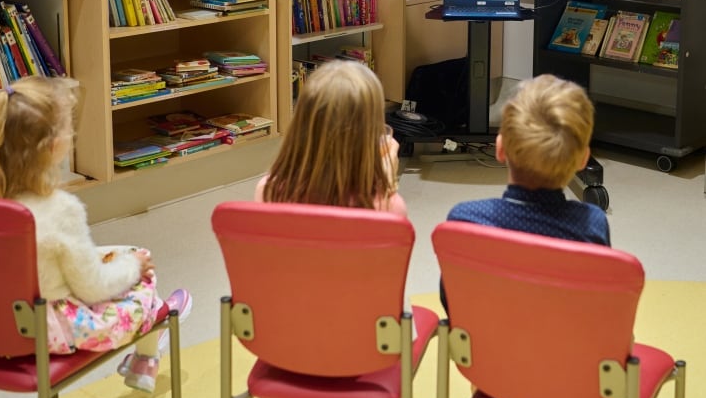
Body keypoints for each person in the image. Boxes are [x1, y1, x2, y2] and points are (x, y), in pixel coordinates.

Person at [0, 76, 191, 395]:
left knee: (122, 252)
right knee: (142, 276)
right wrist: (134, 268)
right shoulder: (60, 210)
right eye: (68, 126)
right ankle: (150, 345)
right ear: (54, 145)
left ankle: (148, 343)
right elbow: (94, 288)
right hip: (43, 330)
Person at [440, 73, 610, 311]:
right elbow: (595, 305)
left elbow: (452, 301)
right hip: (562, 346)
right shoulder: (591, 225)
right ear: (583, 159)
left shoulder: (466, 219)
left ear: (500, 149)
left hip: (487, 346)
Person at [255, 59, 405, 216]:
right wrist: (387, 183)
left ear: (299, 127)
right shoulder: (389, 207)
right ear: (370, 135)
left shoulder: (269, 192)